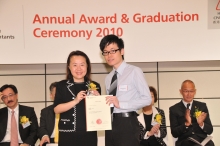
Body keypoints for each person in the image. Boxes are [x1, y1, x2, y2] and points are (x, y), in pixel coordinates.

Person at [99, 34, 152, 146]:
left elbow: (147, 99)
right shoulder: (108, 78)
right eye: (106, 52)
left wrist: (121, 104)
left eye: (113, 51)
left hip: (128, 123)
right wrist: (97, 99)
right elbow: (111, 103)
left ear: (122, 51)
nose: (109, 55)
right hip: (110, 124)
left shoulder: (134, 71)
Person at [53, 50, 101, 146]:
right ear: (69, 67)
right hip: (67, 134)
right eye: (75, 65)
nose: (79, 68)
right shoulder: (61, 85)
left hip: (89, 134)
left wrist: (99, 100)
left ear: (87, 66)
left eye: (82, 65)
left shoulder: (94, 85)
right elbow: (56, 109)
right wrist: (75, 101)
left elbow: (99, 112)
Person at [169, 80, 214, 146]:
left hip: (202, 140)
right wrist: (186, 124)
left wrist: (201, 124)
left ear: (195, 91)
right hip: (185, 141)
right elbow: (174, 133)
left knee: (211, 144)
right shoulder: (174, 109)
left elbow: (210, 130)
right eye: (186, 91)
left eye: (191, 91)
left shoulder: (202, 106)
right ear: (180, 91)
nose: (189, 94)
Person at [38, 82, 58, 146]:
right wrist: (44, 136)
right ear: (51, 96)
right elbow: (42, 128)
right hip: (50, 141)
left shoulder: (71, 110)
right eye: (56, 94)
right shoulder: (45, 111)